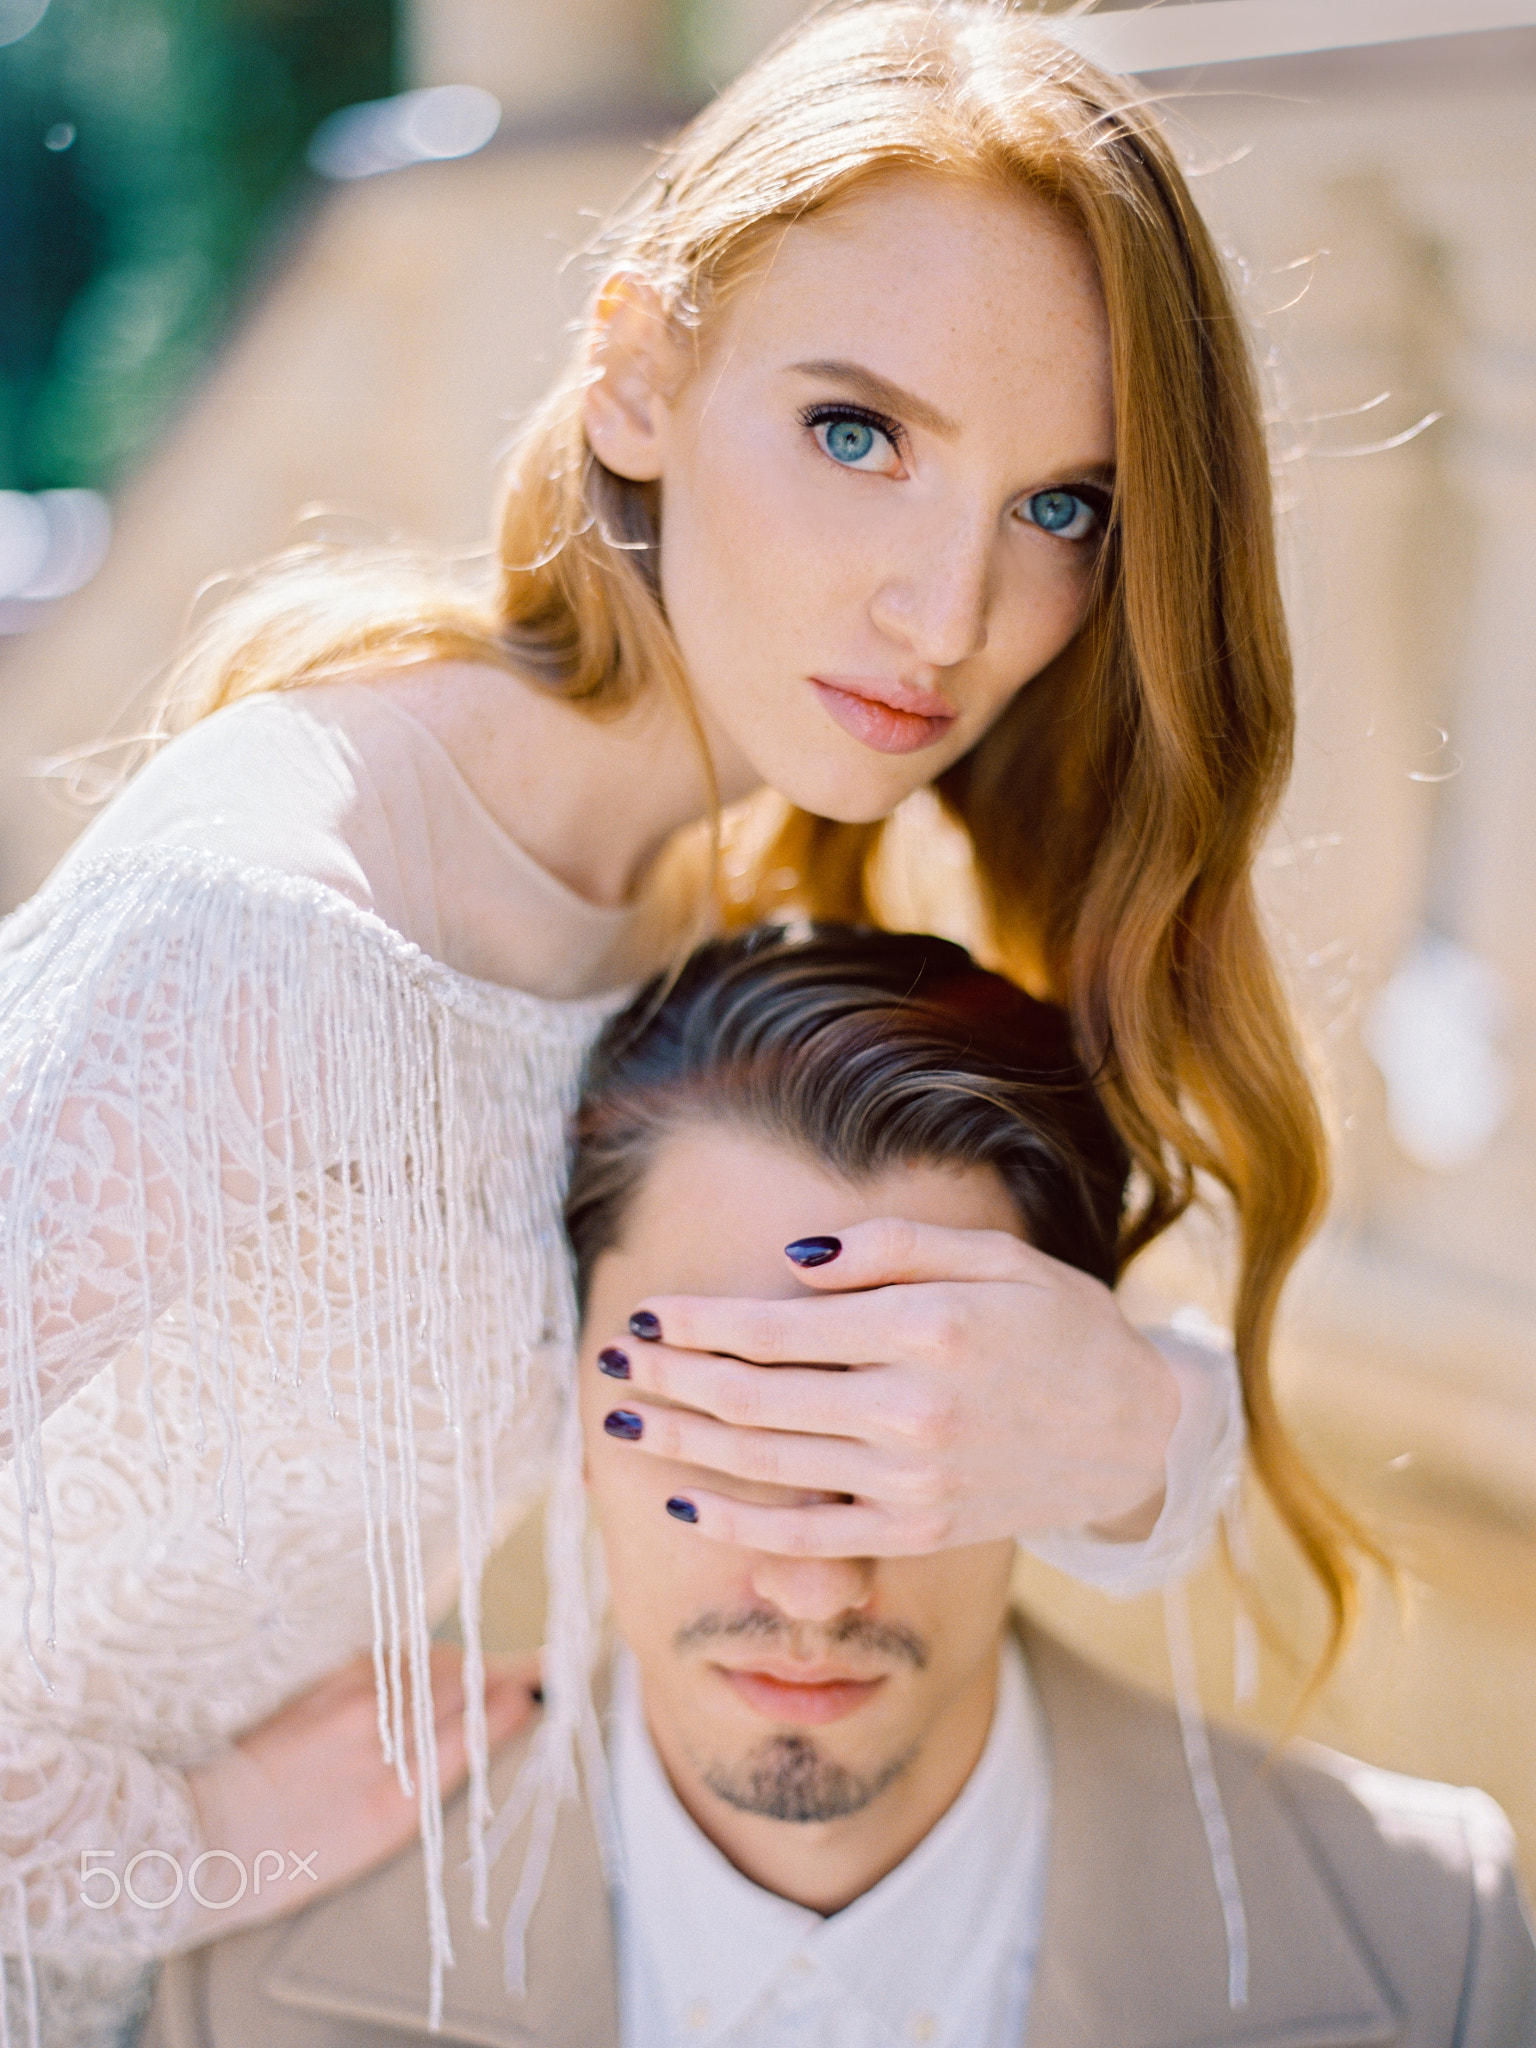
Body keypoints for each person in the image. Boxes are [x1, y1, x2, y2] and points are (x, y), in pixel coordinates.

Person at [0, 3, 1367, 2039]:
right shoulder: (272, 930)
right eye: (857, 432)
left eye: (1059, 506)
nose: (949, 611)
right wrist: (196, 1837)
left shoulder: (689, 918)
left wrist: (1134, 1421)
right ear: (638, 376)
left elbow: (1129, 1465)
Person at [143, 927, 1536, 2048]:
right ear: (559, 1390)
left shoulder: (1429, 1940)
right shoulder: (256, 1945)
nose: (811, 1584)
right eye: (718, 1421)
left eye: (895, 1434)